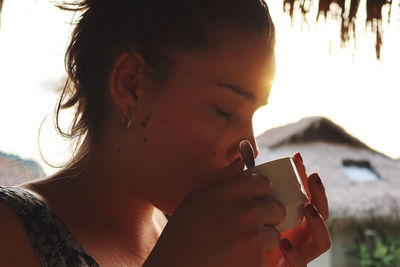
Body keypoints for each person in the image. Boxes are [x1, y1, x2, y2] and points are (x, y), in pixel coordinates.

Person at [0, 0, 330, 266]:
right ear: (132, 84)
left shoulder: (197, 238)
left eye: (252, 115)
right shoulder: (12, 230)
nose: (250, 147)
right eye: (225, 110)